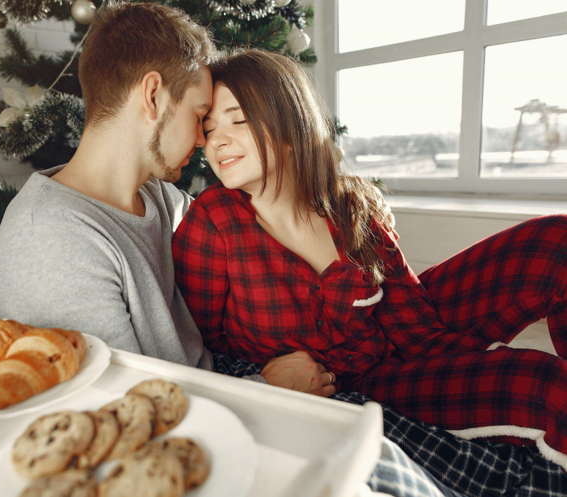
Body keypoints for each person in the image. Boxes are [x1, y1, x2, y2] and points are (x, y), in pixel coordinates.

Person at [172, 48, 567, 473]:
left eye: (239, 119)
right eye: (209, 128)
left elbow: (413, 317)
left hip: (400, 334)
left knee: (555, 241)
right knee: (543, 384)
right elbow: (199, 348)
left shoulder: (347, 206)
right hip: (356, 385)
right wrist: (266, 384)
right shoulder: (211, 223)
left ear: (289, 126)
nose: (216, 141)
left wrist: (471, 362)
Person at [0, 1, 335, 390]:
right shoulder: (50, 239)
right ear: (153, 95)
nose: (205, 141)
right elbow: (120, 404)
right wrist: (268, 388)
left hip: (220, 381)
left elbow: (253, 226)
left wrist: (343, 196)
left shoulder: (156, 196)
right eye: (199, 114)